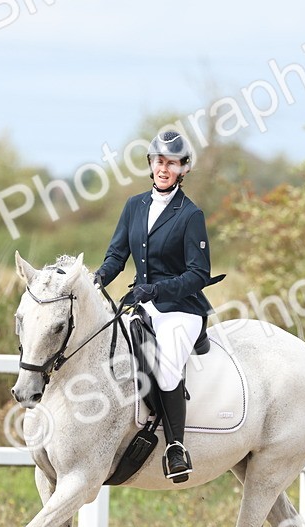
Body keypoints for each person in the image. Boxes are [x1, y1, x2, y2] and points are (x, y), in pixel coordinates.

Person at [94, 130, 214, 483]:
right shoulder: (135, 205)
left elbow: (198, 273)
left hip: (181, 308)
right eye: (159, 161)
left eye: (171, 163)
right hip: (143, 304)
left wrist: (156, 290)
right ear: (151, 164)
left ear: (183, 169)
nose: (164, 168)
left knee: (166, 366)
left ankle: (176, 446)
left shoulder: (191, 215)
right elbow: (118, 254)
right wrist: (96, 279)